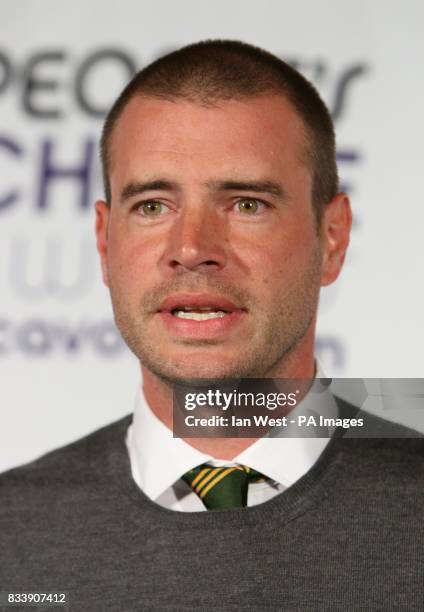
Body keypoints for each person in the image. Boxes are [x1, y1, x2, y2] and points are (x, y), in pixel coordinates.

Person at [0, 40, 422, 612]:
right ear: (104, 243)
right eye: (152, 205)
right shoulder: (12, 539)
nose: (192, 248)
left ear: (332, 237)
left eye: (246, 204)